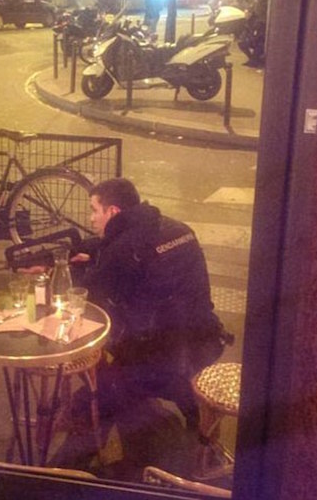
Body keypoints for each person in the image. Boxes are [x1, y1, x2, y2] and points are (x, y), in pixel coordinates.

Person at [70, 178, 232, 428]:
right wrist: (91, 253)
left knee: (87, 330)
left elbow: (86, 293)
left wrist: (67, 269)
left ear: (112, 211)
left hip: (159, 351)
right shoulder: (176, 228)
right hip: (206, 334)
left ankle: (104, 399)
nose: (91, 219)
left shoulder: (123, 250)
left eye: (94, 210)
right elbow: (124, 249)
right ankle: (188, 408)